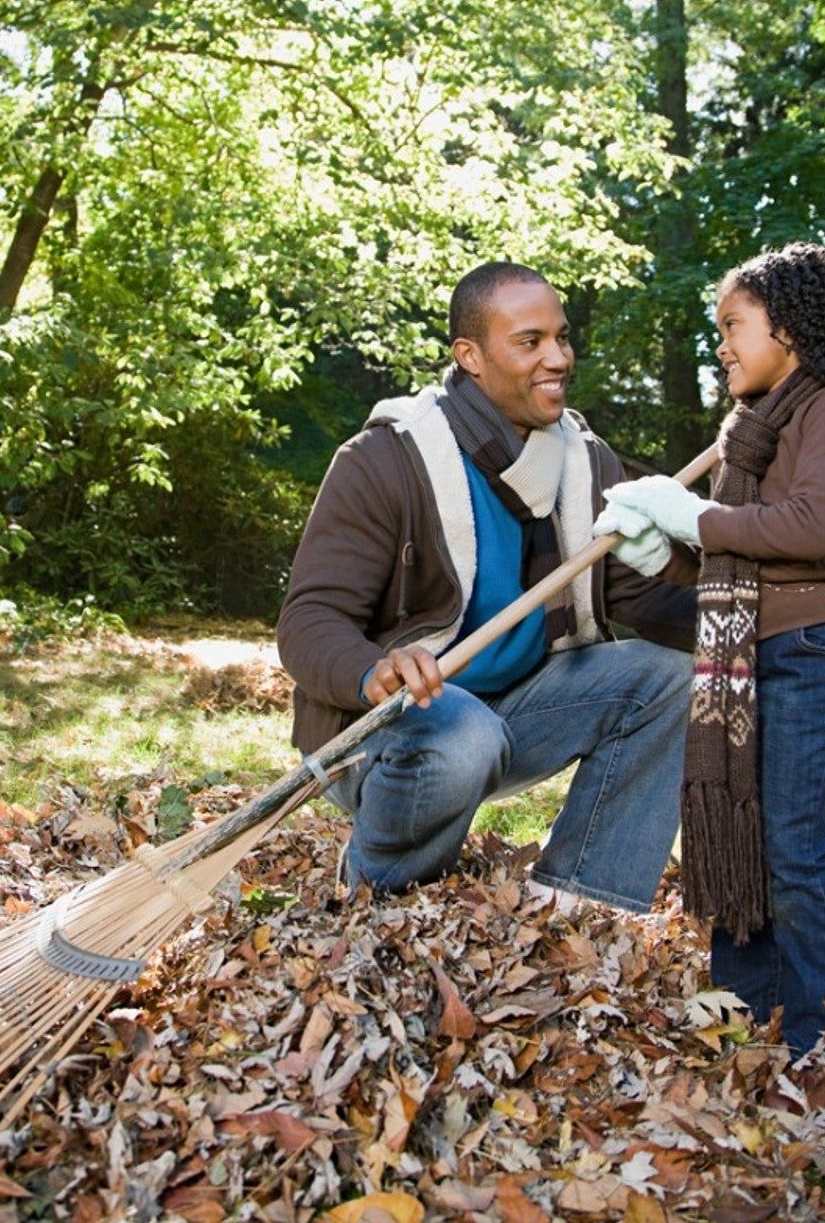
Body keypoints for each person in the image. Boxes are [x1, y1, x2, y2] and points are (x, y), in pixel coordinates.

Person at [277, 262, 698, 915]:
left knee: (672, 679)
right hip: (383, 729)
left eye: (561, 337)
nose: (558, 357)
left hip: (516, 711)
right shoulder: (386, 461)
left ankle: (582, 899)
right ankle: (379, 897)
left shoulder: (586, 461)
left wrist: (750, 600)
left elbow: (635, 596)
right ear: (469, 356)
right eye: (530, 342)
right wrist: (373, 670)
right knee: (462, 731)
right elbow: (309, 620)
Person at [596, 242, 825, 1061]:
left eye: (734, 326)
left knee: (793, 851)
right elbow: (737, 554)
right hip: (742, 654)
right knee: (738, 835)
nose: (721, 345)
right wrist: (663, 549)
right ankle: (735, 1015)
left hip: (805, 655)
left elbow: (805, 530)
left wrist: (687, 514)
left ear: (790, 330)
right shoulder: (755, 427)